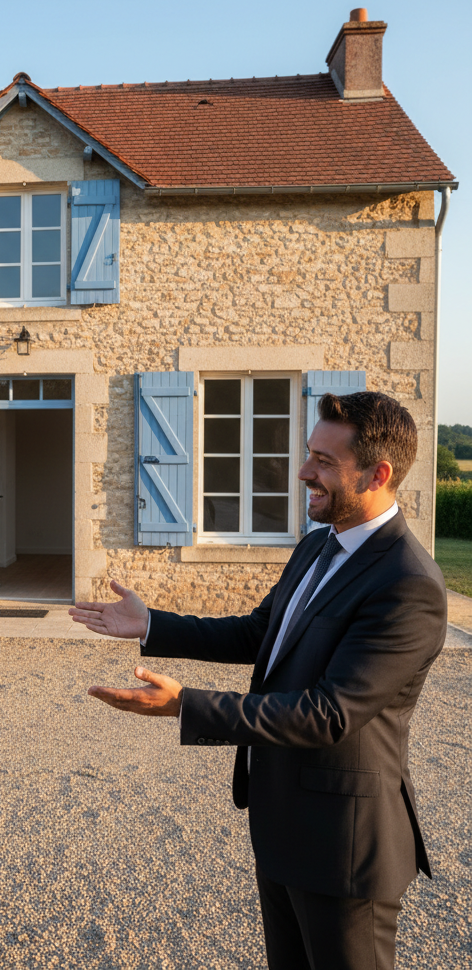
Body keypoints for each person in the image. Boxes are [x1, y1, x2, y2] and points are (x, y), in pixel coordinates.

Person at [70, 391, 447, 970]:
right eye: (309, 455)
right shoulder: (319, 545)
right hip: (284, 829)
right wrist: (152, 624)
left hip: (343, 849)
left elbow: (329, 714)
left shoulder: (409, 584)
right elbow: (259, 633)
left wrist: (185, 706)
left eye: (324, 461)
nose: (304, 472)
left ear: (379, 473)